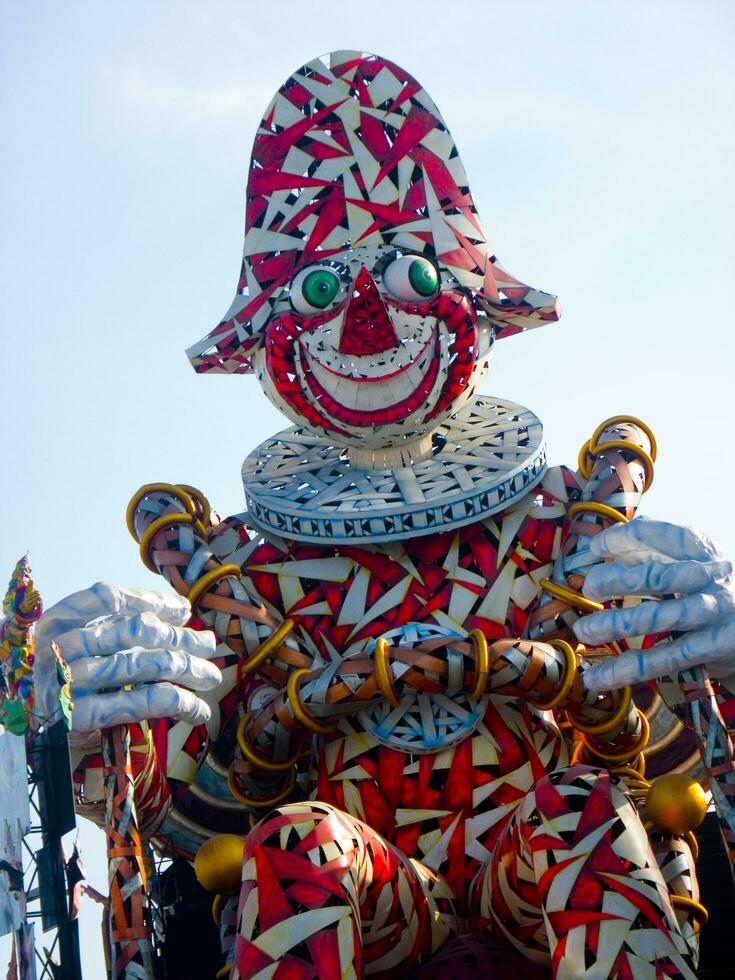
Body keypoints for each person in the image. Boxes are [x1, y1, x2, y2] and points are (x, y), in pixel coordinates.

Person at [36, 52, 735, 979]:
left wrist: (718, 657)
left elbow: (682, 742)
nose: (365, 328)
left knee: (581, 814)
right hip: (370, 888)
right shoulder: (243, 574)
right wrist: (75, 728)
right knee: (296, 847)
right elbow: (185, 812)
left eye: (409, 280)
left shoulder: (570, 523)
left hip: (544, 858)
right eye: (321, 293)